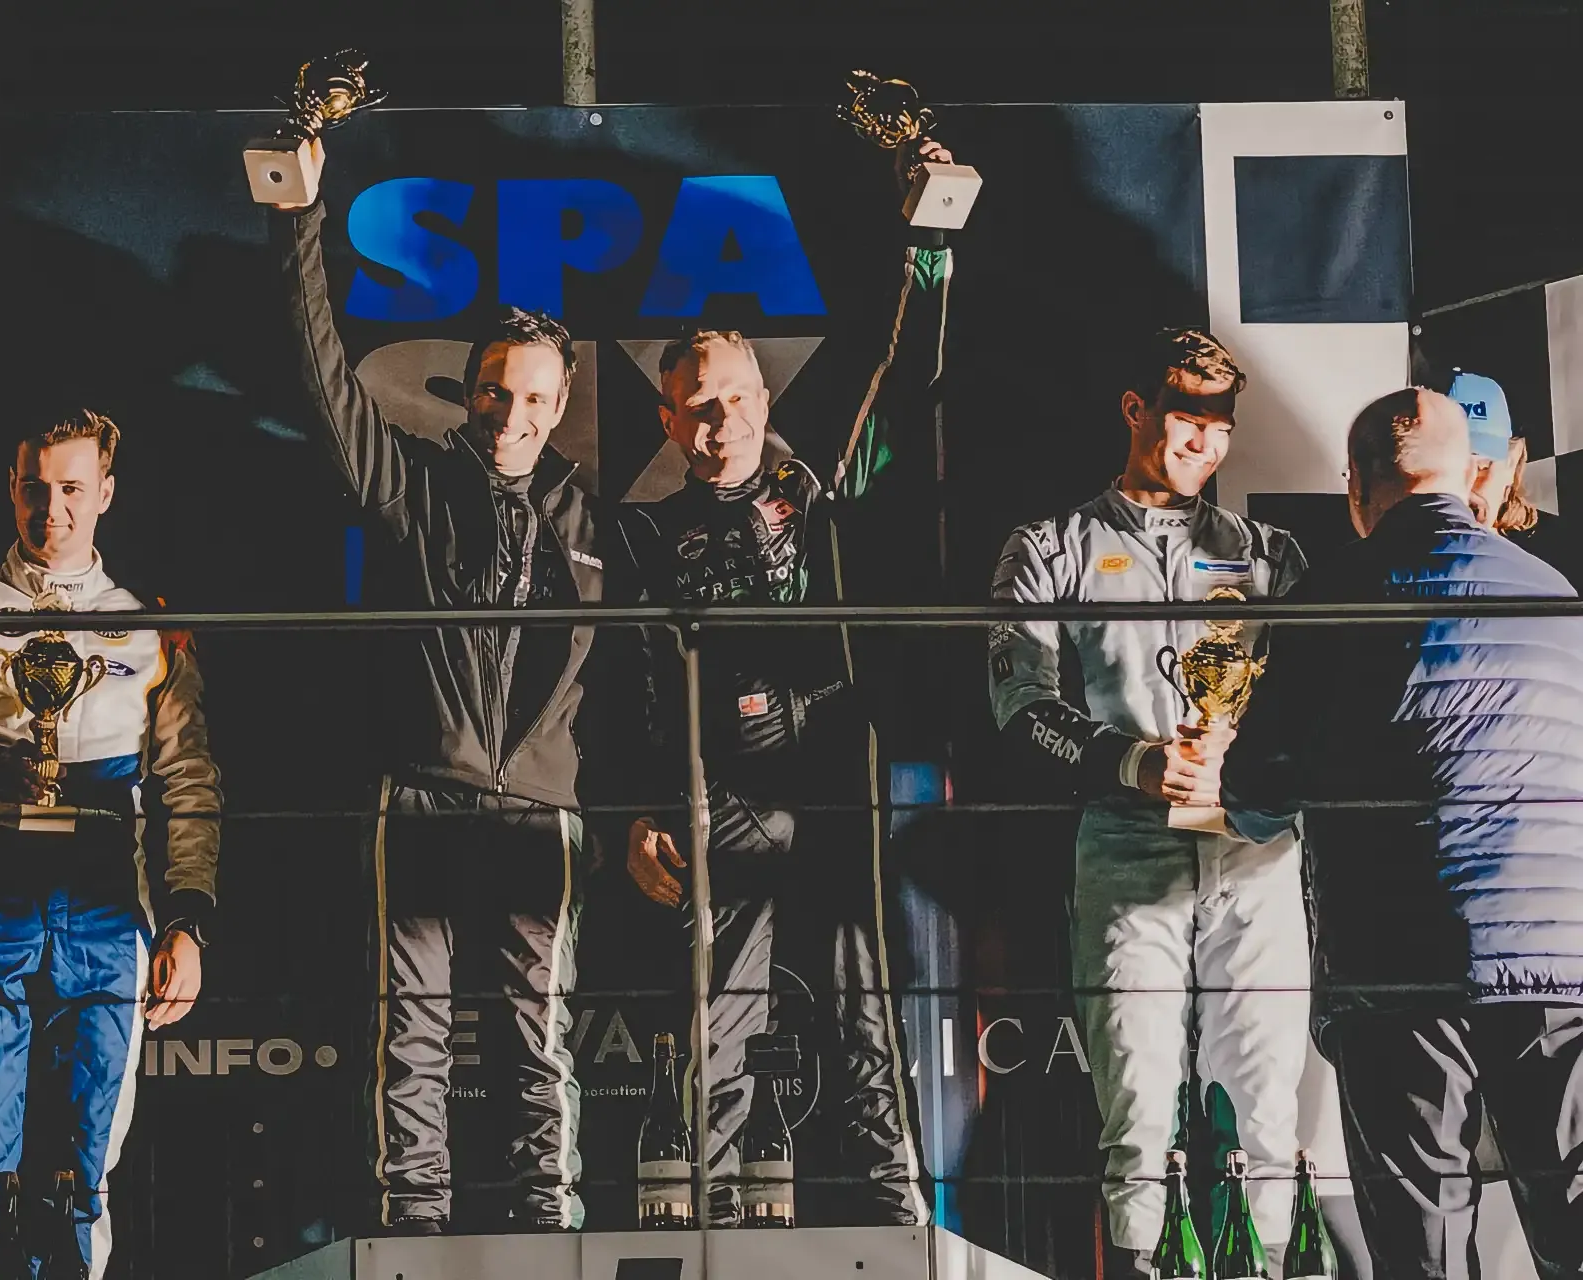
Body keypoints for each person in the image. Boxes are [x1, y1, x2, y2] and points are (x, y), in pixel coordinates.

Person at [609, 137, 954, 1228]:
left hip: (839, 779)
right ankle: (712, 1228)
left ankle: (899, 1219)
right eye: (695, 407)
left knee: (865, 1010)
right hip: (722, 794)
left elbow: (906, 372)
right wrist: (641, 810)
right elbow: (629, 689)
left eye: (732, 398)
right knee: (716, 1018)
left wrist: (929, 242)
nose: (719, 423)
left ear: (765, 395)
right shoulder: (643, 533)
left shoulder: (829, 489)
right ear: (668, 420)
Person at [274, 137, 608, 1234]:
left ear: (560, 402)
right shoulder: (413, 486)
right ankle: (414, 1235)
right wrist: (298, 219)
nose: (511, 414)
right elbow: (326, 380)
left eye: (533, 396)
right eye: (495, 391)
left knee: (535, 1035)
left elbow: (635, 680)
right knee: (409, 1029)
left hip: (542, 806)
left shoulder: (594, 521)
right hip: (421, 791)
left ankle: (548, 1233)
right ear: (470, 393)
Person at [1222, 386, 1583, 1279]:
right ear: (1473, 475)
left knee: (1424, 1250)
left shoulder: (1329, 599)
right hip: (1560, 962)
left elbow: (1256, 790)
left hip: (1398, 969)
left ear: (1356, 486)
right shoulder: (1554, 594)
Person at [986, 329, 1309, 1274]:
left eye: (1221, 423)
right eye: (1185, 416)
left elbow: (1319, 704)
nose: (1205, 440)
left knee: (1266, 1107)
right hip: (1127, 846)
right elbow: (1019, 706)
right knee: (1136, 1112)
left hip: (1252, 849)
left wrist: (1245, 773)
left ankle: (1264, 1262)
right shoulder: (1050, 547)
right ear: (1135, 410)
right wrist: (1135, 763)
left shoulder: (1270, 555)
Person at [0, 412, 219, 1278]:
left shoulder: (153, 628)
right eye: (35, 487)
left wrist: (187, 920)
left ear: (106, 492)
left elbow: (188, 782)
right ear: (11, 487)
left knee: (84, 1173)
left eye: (71, 488)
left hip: (106, 909)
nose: (51, 509)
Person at [1452, 367, 1582, 585]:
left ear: (1513, 461)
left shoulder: (1560, 565)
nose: (1463, 487)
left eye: (1483, 467)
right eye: (1446, 470)